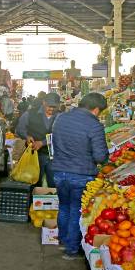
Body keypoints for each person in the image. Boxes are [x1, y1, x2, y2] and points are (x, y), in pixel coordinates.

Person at [51, 93, 109, 260]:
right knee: (77, 210)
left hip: (60, 171)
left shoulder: (61, 118)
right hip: (81, 174)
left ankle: (63, 240)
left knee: (64, 207)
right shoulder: (94, 125)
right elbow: (99, 156)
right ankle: (71, 249)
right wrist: (105, 157)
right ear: (96, 109)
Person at [16, 92, 62, 188]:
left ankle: (53, 201)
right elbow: (19, 129)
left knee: (54, 183)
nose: (52, 109)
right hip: (35, 155)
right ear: (43, 102)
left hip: (55, 156)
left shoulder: (62, 116)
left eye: (55, 107)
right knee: (34, 181)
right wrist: (26, 136)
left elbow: (63, 134)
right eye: (49, 106)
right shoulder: (30, 114)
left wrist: (43, 142)